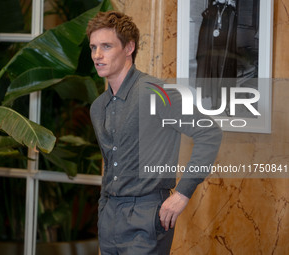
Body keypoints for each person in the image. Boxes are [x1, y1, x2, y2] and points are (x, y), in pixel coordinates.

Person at [87, 11, 222, 254]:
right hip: (109, 220)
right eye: (93, 47)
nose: (97, 55)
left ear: (129, 47)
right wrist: (103, 209)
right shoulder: (98, 108)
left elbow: (209, 132)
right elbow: (110, 164)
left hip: (147, 216)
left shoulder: (156, 93)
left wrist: (182, 193)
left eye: (106, 46)